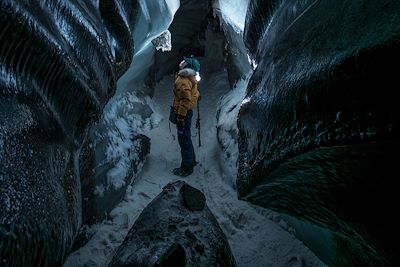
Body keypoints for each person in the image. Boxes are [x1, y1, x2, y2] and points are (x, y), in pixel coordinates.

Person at [172, 55, 201, 177]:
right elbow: (194, 93)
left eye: (184, 61)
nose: (181, 62)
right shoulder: (190, 77)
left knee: (184, 140)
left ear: (186, 66)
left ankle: (186, 167)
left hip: (183, 113)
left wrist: (180, 117)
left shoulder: (183, 80)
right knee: (186, 138)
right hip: (187, 112)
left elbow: (184, 100)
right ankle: (191, 161)